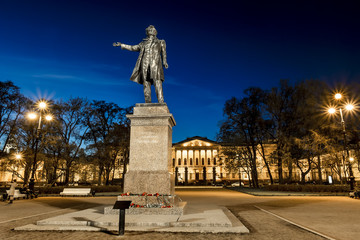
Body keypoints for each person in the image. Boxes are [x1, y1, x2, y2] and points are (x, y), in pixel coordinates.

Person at [113, 25, 168, 103]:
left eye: (152, 30)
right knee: (146, 82)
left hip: (155, 64)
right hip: (144, 64)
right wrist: (122, 45)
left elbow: (163, 52)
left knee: (157, 81)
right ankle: (147, 101)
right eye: (149, 30)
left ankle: (161, 101)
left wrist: (164, 62)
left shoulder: (160, 42)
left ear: (155, 32)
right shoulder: (143, 43)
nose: (150, 31)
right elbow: (133, 48)